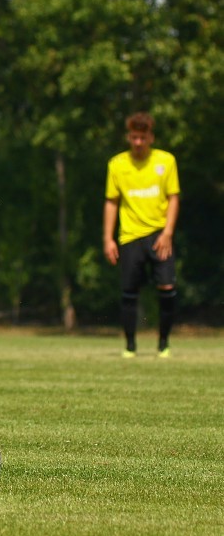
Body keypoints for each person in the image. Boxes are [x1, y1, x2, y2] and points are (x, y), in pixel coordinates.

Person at [103, 112, 180, 358]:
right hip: (130, 236)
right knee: (129, 291)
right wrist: (108, 238)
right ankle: (130, 346)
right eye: (134, 137)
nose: (138, 142)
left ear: (151, 138)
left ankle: (163, 343)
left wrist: (168, 232)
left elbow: (173, 198)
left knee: (167, 287)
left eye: (142, 138)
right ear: (129, 137)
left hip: (159, 234)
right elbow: (111, 202)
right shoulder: (117, 164)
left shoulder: (166, 161)